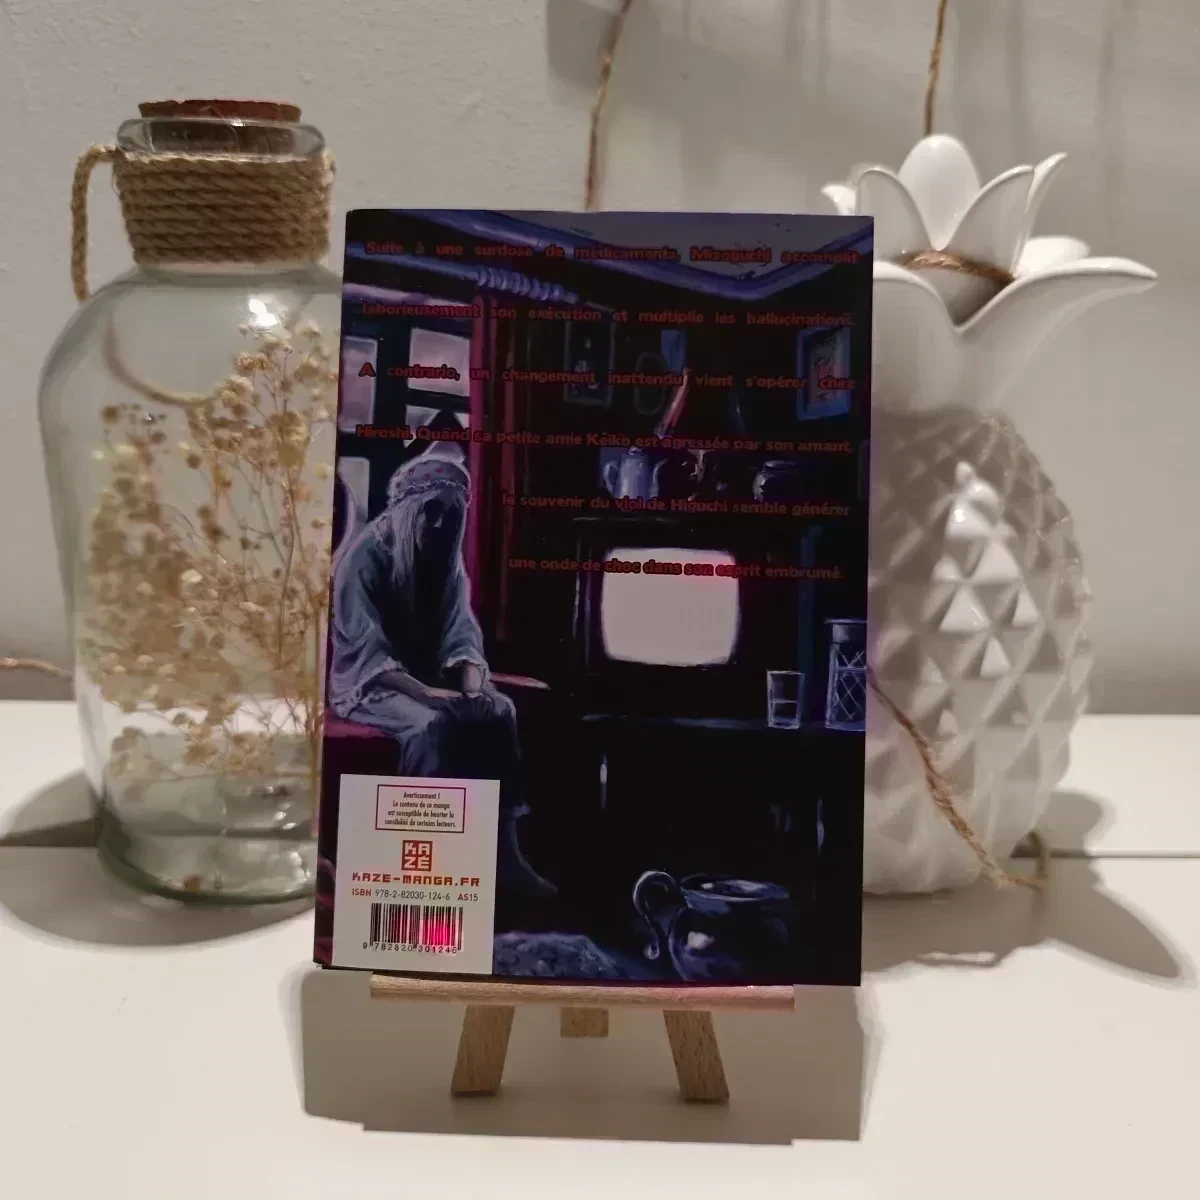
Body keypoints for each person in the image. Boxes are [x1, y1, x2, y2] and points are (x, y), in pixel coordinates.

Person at [328, 450, 554, 898]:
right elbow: (369, 654)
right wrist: (430, 696)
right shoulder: (364, 558)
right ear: (408, 507)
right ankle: (417, 862)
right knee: (429, 726)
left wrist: (473, 686)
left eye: (450, 515)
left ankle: (505, 857)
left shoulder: (445, 561)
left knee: (500, 712)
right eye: (430, 510)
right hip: (369, 686)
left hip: (428, 679)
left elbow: (460, 634)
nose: (439, 524)